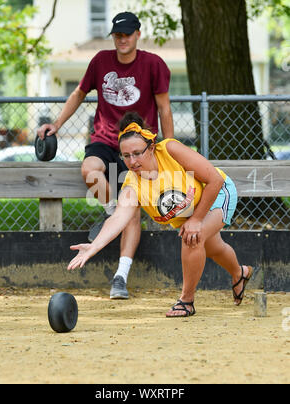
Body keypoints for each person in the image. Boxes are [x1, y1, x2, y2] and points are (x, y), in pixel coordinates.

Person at [37, 12, 174, 300]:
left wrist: (169, 149)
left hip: (139, 147)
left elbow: (164, 109)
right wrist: (56, 126)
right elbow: (77, 93)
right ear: (113, 36)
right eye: (117, 34)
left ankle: (120, 278)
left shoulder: (153, 64)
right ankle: (113, 213)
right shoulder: (100, 61)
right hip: (106, 141)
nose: (122, 39)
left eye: (127, 33)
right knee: (90, 170)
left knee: (133, 209)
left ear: (137, 34)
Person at [67, 112, 254, 317]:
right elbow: (118, 218)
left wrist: (197, 219)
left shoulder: (169, 150)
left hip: (218, 194)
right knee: (214, 248)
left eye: (138, 153)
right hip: (190, 211)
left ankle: (186, 301)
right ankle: (240, 273)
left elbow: (214, 181)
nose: (132, 161)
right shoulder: (132, 185)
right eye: (126, 156)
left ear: (151, 148)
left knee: (192, 238)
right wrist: (95, 246)